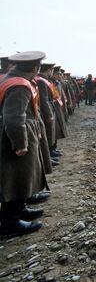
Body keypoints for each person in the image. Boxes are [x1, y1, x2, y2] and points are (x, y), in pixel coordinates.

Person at [0, 51, 48, 236]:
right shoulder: (19, 85)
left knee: (22, 176)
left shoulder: (10, 79)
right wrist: (20, 143)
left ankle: (20, 210)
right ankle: (9, 223)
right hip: (18, 135)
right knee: (17, 177)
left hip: (21, 132)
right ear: (35, 68)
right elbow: (14, 118)